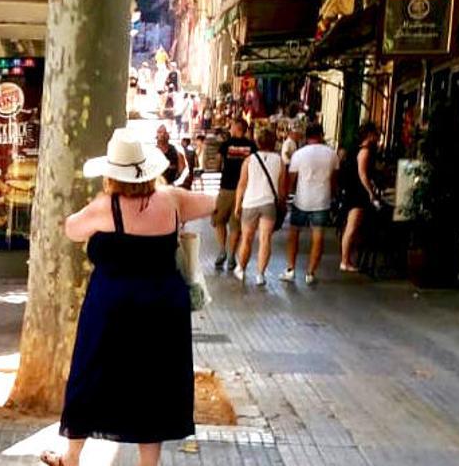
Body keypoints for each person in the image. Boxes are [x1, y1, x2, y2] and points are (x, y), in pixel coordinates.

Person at [40, 128, 215, 466]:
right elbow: (211, 204)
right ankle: (148, 464)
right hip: (164, 307)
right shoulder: (173, 199)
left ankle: (72, 455)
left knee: (90, 373)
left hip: (112, 307)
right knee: (155, 382)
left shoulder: (106, 206)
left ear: (111, 172)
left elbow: (71, 228)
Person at [280, 123, 339, 285]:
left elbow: (291, 180)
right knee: (318, 237)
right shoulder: (332, 154)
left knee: (294, 234)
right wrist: (333, 196)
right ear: (321, 134)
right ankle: (310, 273)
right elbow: (334, 181)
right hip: (322, 201)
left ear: (306, 137)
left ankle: (291, 269)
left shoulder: (299, 154)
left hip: (301, 200)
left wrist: (285, 197)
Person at [234, 128, 286, 286]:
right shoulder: (280, 161)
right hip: (269, 204)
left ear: (257, 142)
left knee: (247, 239)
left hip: (250, 203)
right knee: (265, 240)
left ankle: (241, 269)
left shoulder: (249, 160)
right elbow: (282, 188)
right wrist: (282, 204)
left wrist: (237, 205)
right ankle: (260, 274)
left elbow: (242, 185)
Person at [213, 119, 257, 271]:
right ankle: (232, 256)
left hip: (226, 188)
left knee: (219, 220)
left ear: (236, 128)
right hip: (244, 190)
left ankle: (222, 251)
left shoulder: (226, 145)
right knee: (236, 226)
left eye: (231, 126)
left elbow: (217, 163)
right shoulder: (252, 146)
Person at [339, 122, 381, 272]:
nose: (378, 137)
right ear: (369, 135)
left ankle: (347, 259)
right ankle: (345, 261)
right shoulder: (365, 152)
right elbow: (363, 174)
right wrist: (371, 192)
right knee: (352, 227)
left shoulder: (356, 149)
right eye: (376, 134)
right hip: (357, 193)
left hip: (353, 191)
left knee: (351, 227)